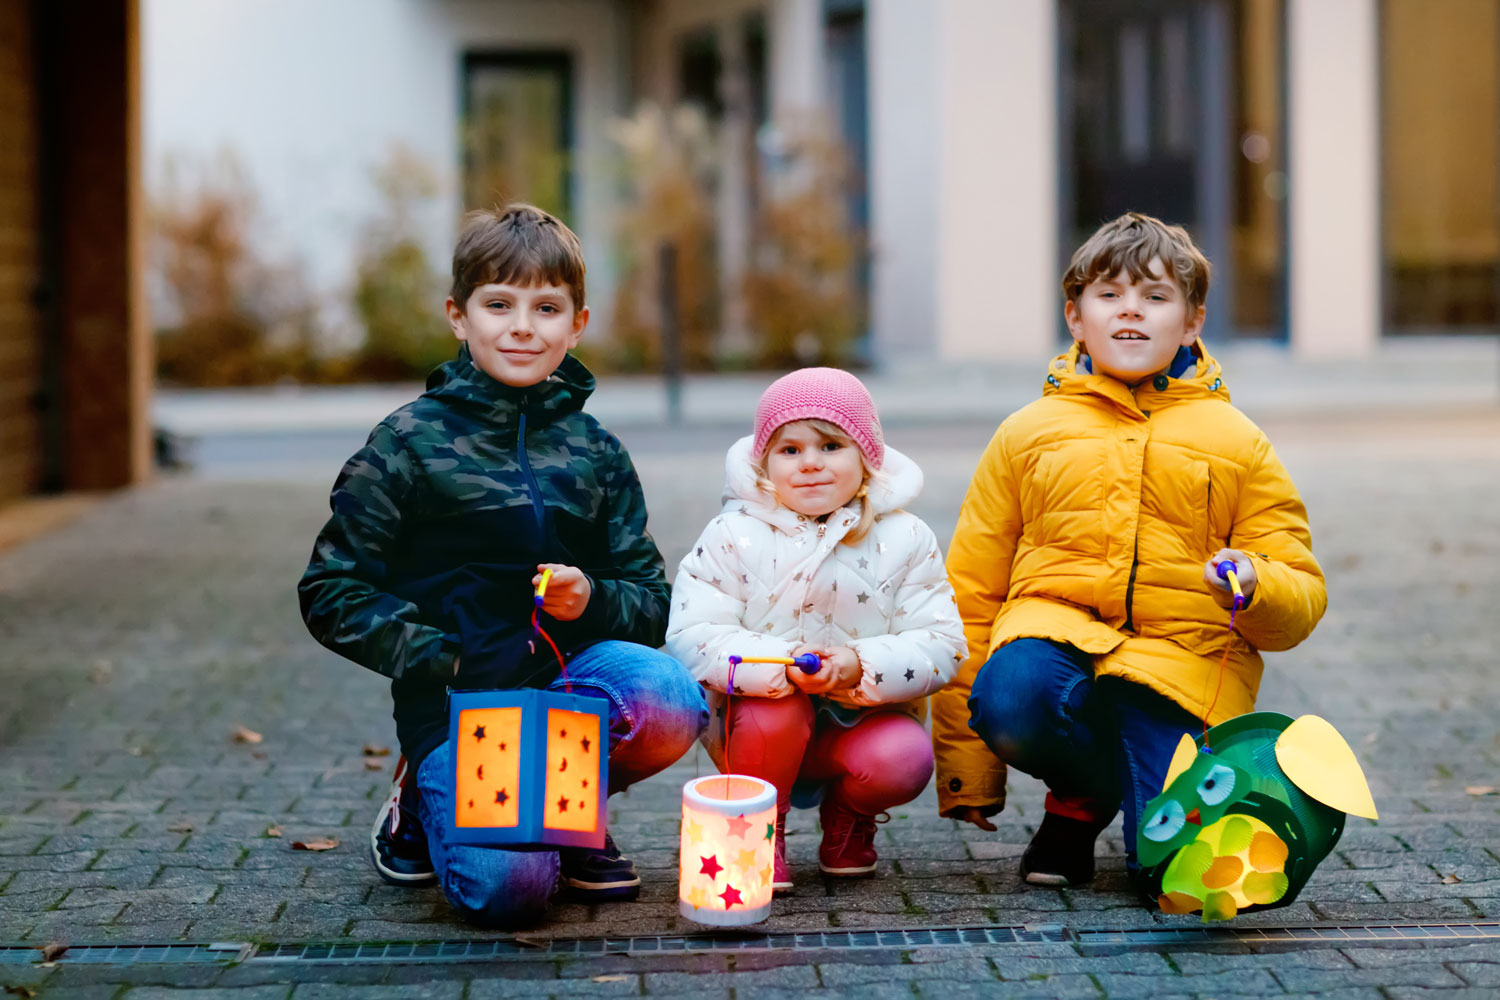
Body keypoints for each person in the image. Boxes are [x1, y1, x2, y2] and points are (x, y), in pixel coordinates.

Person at [298, 203, 707, 926]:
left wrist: (593, 600)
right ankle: (423, 802)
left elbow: (652, 597)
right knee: (511, 892)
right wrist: (444, 657)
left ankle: (566, 811)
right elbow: (331, 590)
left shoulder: (597, 452)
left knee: (669, 698)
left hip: (568, 696)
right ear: (459, 316)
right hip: (459, 707)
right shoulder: (407, 445)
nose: (523, 326)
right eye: (499, 304)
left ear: (577, 323)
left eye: (547, 307)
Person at [933, 212, 1326, 891]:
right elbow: (970, 588)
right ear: (1075, 317)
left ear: (1193, 321)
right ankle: (1081, 798)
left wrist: (1255, 585)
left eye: (1155, 296)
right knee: (1013, 692)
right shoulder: (1027, 434)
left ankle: (1139, 801)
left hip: (1179, 669)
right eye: (1109, 295)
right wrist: (969, 769)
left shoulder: (1238, 441)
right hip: (1054, 646)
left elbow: (1300, 589)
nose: (1131, 312)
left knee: (1171, 878)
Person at [666, 368, 967, 891]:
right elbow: (694, 633)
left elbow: (941, 641)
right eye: (789, 450)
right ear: (764, 463)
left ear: (867, 456)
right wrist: (779, 663)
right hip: (760, 719)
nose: (809, 463)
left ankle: (849, 818)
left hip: (861, 718)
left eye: (830, 445)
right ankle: (761, 826)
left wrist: (860, 665)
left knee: (903, 757)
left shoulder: (906, 537)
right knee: (775, 718)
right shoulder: (733, 533)